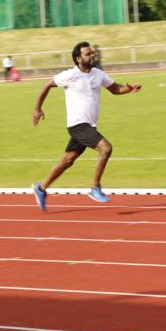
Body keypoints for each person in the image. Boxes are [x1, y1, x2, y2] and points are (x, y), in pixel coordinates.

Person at [31, 41, 142, 212]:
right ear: (78, 58)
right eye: (88, 54)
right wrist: (37, 108)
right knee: (106, 149)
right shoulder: (70, 75)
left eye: (92, 53)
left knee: (68, 160)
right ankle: (95, 187)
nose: (92, 55)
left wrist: (129, 89)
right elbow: (47, 84)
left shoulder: (98, 74)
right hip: (78, 125)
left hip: (89, 125)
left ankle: (41, 188)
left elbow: (114, 88)